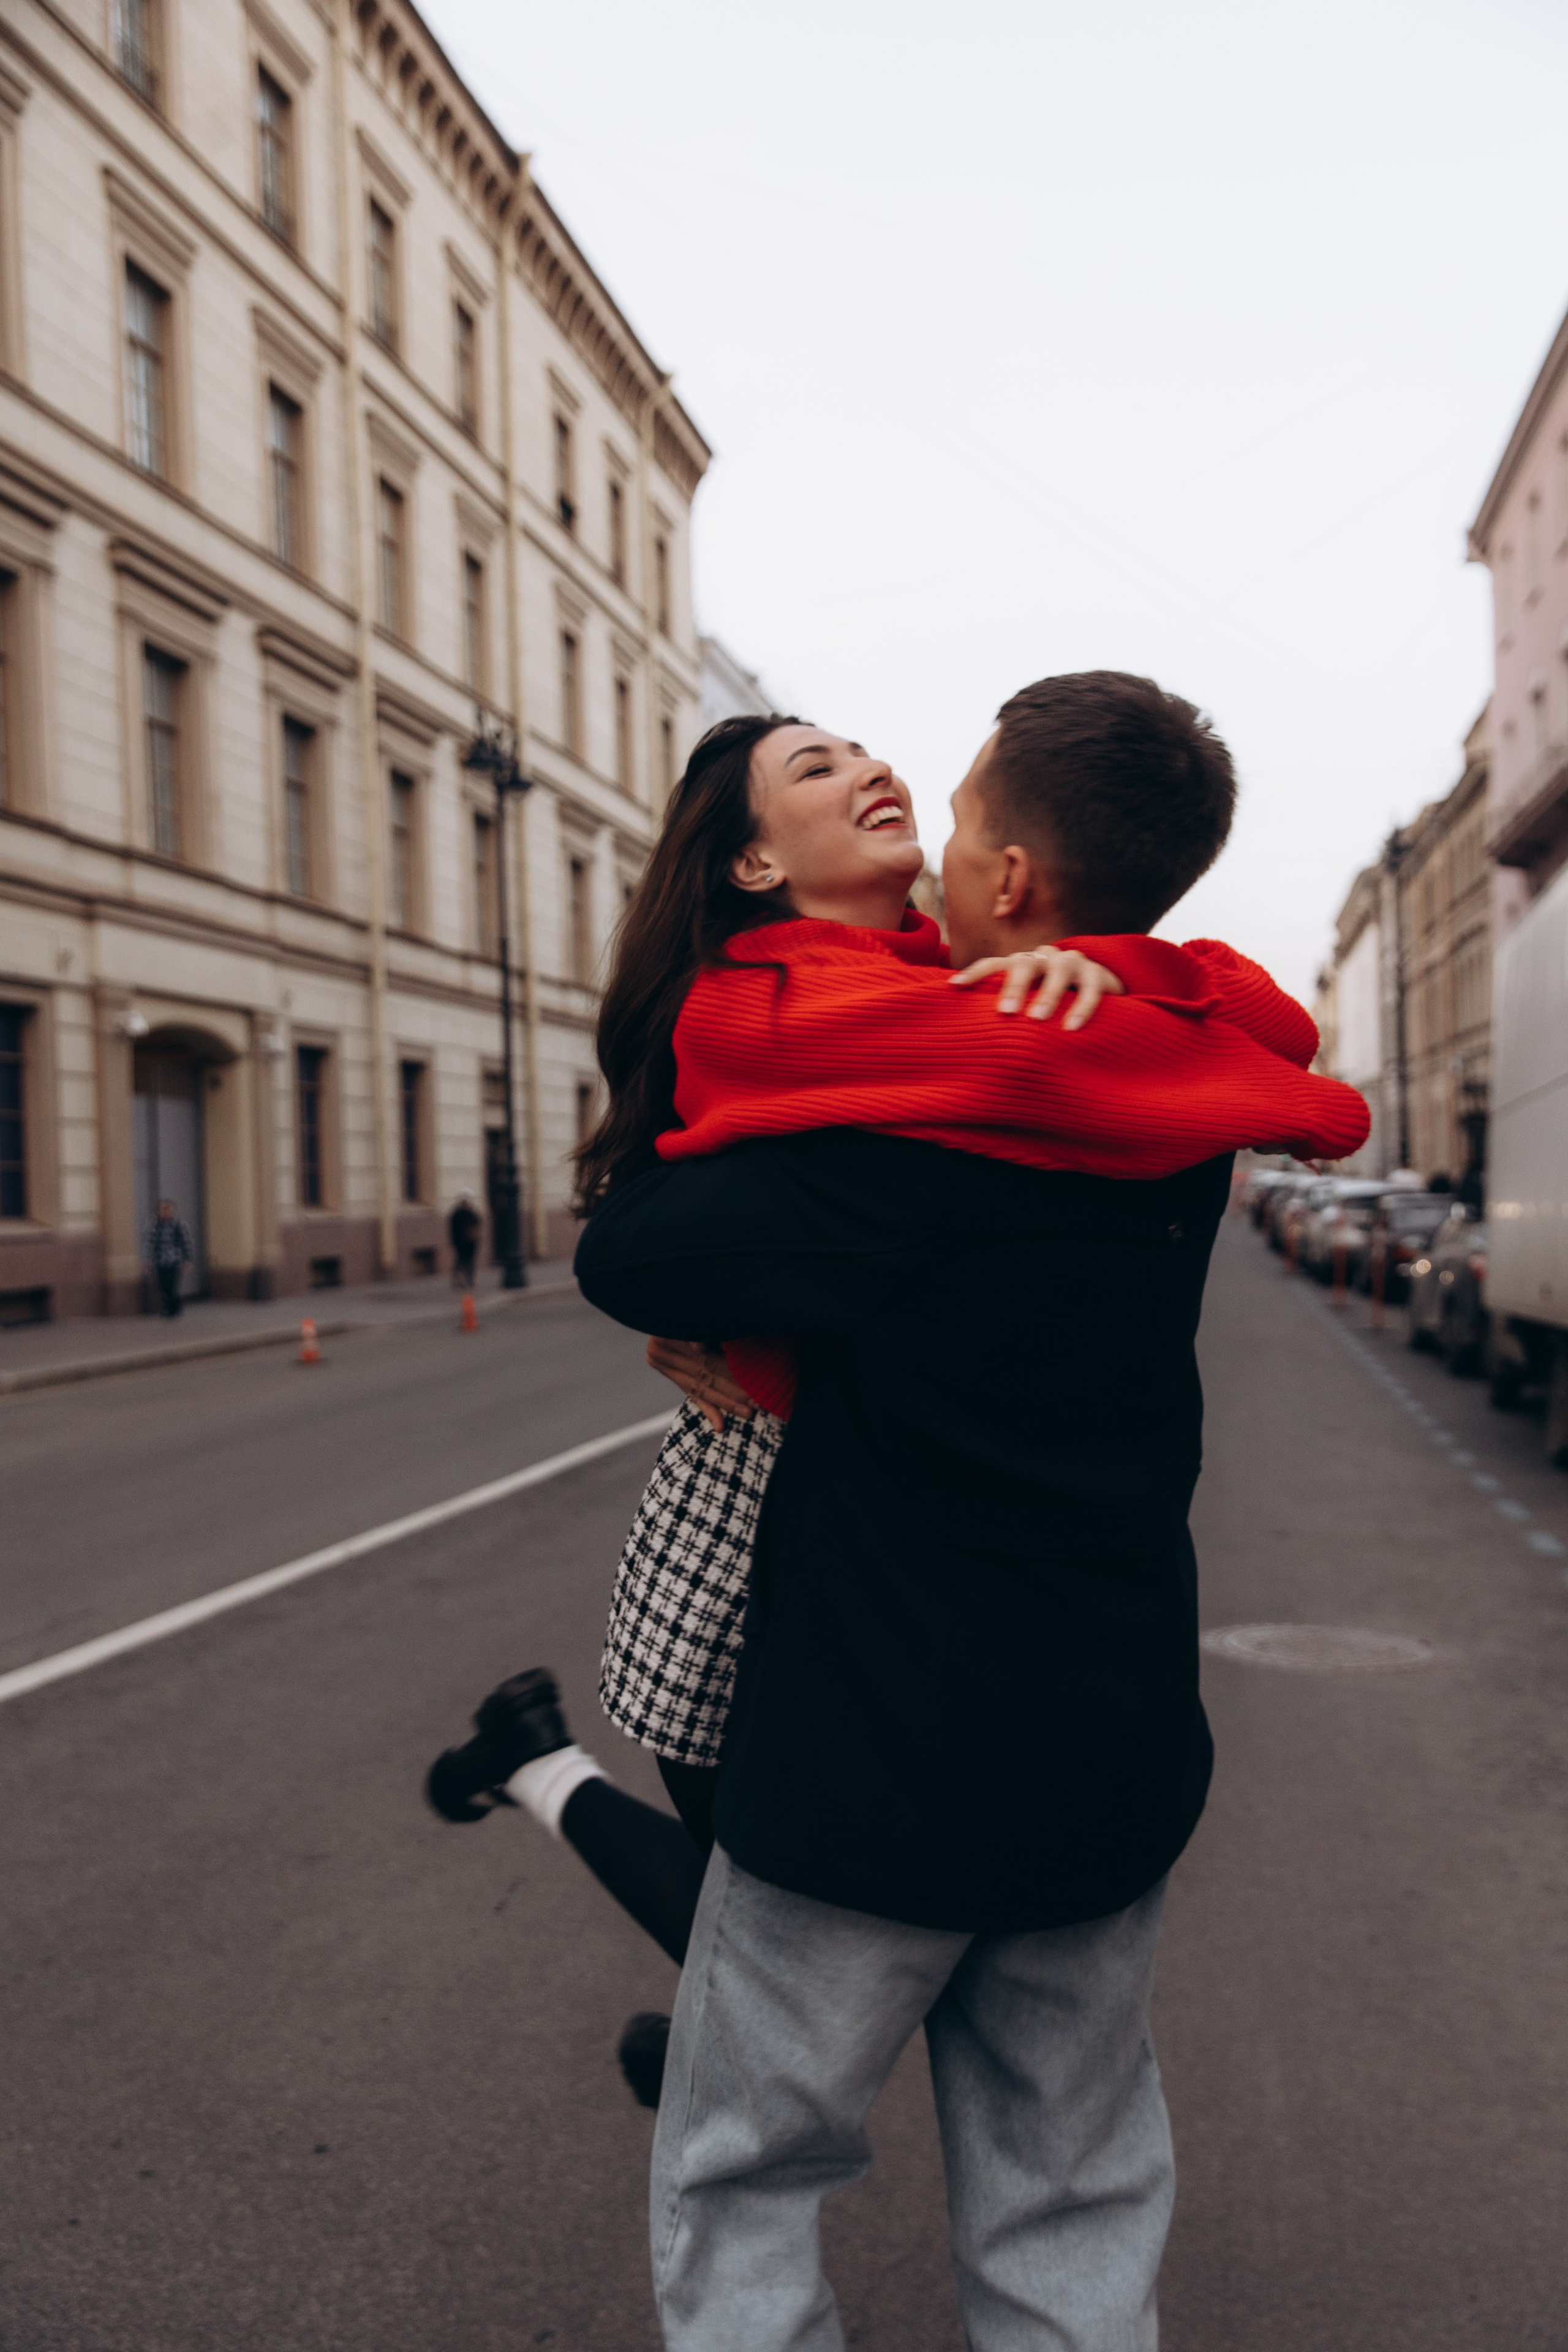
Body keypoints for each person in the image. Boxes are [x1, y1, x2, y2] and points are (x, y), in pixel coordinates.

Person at [426, 687, 1367, 2130]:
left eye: (866, 746)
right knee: (785, 1885)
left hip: (865, 1504)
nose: (871, 766)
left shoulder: (937, 977)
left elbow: (1195, 1024)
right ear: (752, 863)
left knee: (822, 1907)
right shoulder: (780, 1002)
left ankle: (678, 1983)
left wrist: (1105, 974)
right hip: (749, 1500)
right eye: (816, 764)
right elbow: (659, 1225)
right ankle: (655, 1943)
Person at [142, 1198, 193, 1317]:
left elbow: (186, 1242)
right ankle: (169, 1306)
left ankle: (173, 1308)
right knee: (162, 1285)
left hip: (175, 1261)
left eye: (168, 1210)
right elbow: (149, 1243)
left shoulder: (179, 1225)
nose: (165, 1212)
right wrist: (148, 1260)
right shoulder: (154, 1225)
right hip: (160, 1261)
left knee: (172, 1285)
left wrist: (187, 1260)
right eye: (163, 1210)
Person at [448, 1189, 482, 1289]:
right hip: (462, 1242)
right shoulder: (458, 1213)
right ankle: (462, 1279)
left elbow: (477, 1223)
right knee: (462, 1260)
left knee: (468, 1261)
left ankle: (467, 1279)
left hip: (469, 1242)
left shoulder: (469, 1212)